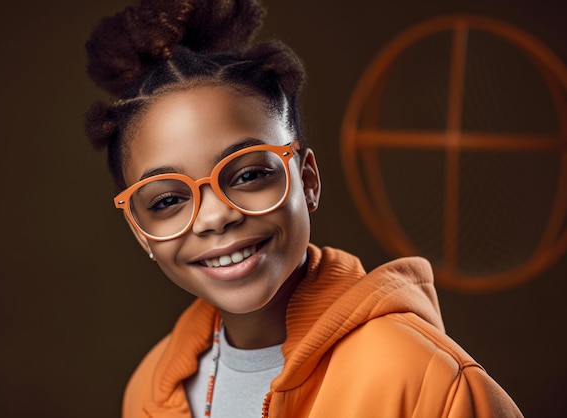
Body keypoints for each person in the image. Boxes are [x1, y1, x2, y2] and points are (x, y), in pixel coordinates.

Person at [84, 1, 524, 417]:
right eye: (167, 200)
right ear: (140, 230)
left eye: (249, 175)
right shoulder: (149, 390)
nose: (216, 216)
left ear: (307, 179)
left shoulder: (426, 379)